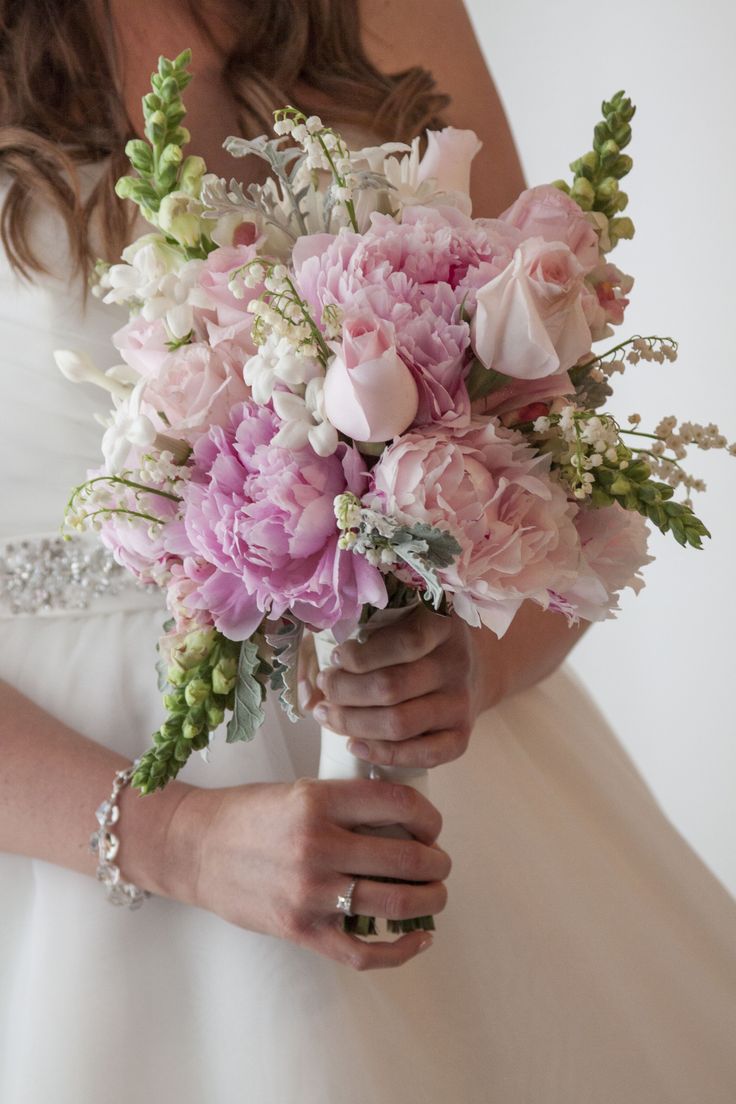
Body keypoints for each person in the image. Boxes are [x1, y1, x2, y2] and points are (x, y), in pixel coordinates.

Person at [0, 2, 734, 1101]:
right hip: (65, 820)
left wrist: (473, 667)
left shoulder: (390, 9)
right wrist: (178, 839)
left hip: (445, 798)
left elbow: (541, 442)